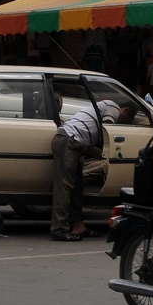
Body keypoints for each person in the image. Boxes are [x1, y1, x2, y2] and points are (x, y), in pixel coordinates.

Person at [49, 83, 119, 241]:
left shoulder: (95, 111)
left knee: (76, 187)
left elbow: (88, 145)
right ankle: (59, 229)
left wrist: (104, 155)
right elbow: (109, 128)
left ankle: (78, 225)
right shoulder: (113, 107)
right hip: (68, 141)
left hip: (73, 142)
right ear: (124, 110)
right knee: (64, 187)